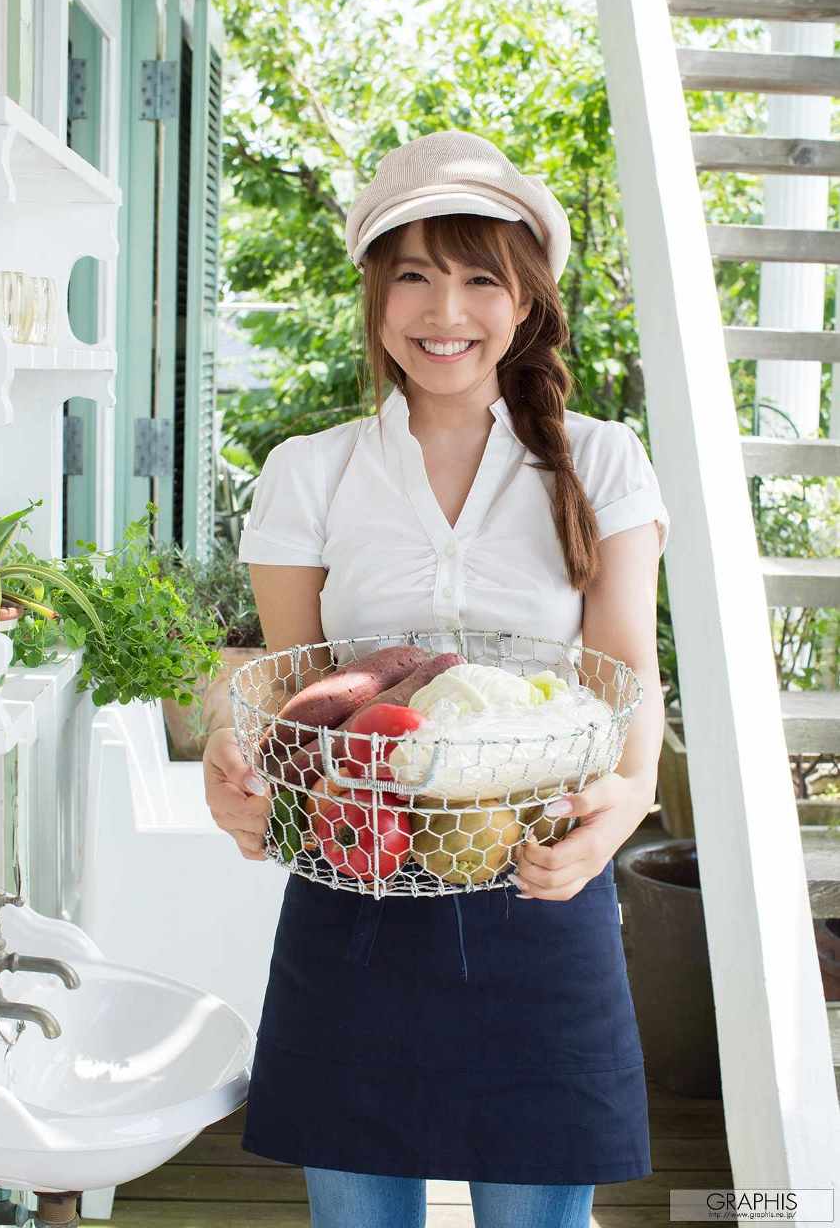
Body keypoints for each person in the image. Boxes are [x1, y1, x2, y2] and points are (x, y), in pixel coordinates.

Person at [203, 128, 671, 1228]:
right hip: (353, 875)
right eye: (413, 275)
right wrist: (235, 760)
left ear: (527, 298)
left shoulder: (600, 460)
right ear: (375, 292)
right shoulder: (309, 472)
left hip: (541, 871)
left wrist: (623, 804)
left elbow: (625, 679)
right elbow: (286, 687)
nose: (443, 310)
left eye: (479, 278)